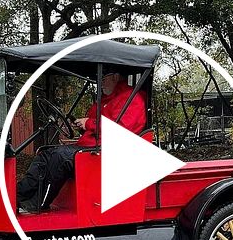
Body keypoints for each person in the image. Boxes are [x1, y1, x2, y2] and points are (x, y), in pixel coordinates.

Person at [16, 68, 147, 212]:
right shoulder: (105, 100)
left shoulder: (132, 99)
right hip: (93, 149)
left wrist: (89, 123)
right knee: (45, 154)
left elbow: (121, 128)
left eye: (103, 78)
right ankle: (19, 195)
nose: (100, 82)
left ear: (116, 76)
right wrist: (81, 126)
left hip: (110, 154)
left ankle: (37, 203)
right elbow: (94, 125)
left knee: (60, 157)